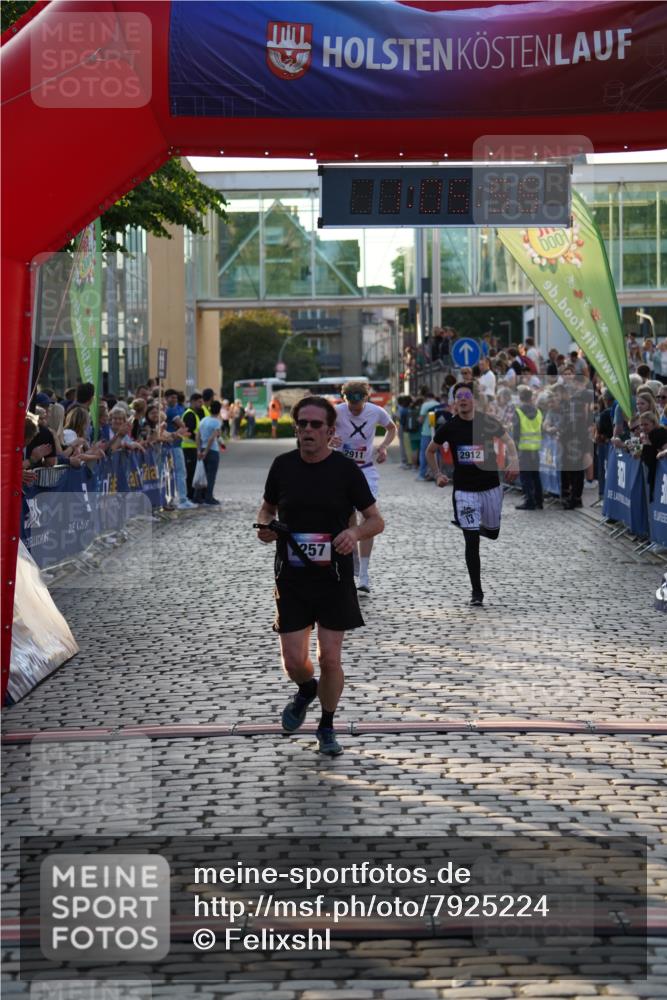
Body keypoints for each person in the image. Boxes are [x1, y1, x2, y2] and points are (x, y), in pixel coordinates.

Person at [255, 395, 384, 756]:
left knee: (330, 657)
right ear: (295, 428)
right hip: (292, 577)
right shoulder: (282, 466)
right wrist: (264, 527)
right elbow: (267, 509)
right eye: (302, 424)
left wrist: (354, 534)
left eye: (315, 425)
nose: (308, 430)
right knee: (294, 662)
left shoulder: (346, 471)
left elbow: (376, 520)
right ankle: (307, 689)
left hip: (334, 578)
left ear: (330, 431)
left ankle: (327, 725)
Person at [426, 382, 519, 606]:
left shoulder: (487, 421)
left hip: (490, 487)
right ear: (454, 402)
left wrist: (514, 460)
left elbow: (508, 440)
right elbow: (431, 450)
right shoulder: (449, 427)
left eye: (467, 395)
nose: (463, 399)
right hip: (465, 491)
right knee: (471, 540)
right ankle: (477, 592)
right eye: (459, 396)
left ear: (474, 400)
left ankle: (472, 523)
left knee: (493, 532)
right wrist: (438, 473)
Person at [332, 380, 396, 593]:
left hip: (366, 469)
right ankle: (353, 562)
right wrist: (330, 438)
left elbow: (391, 428)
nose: (354, 410)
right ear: (345, 399)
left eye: (358, 407)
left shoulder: (376, 411)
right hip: (341, 469)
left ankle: (365, 575)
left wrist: (384, 447)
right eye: (351, 405)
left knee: (368, 517)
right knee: (347, 518)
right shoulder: (336, 411)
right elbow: (323, 429)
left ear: (366, 399)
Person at [513, 386, 544, 511]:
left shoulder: (518, 412)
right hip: (536, 449)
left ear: (520, 398)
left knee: (526, 477)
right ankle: (539, 501)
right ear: (531, 397)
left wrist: (514, 449)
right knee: (536, 476)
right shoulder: (538, 412)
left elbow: (516, 432)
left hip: (524, 449)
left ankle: (529, 501)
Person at [197, 399, 224, 505]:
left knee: (200, 474)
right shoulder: (217, 422)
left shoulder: (203, 420)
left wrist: (199, 450)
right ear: (219, 410)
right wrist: (207, 451)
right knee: (210, 475)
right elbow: (212, 438)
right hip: (212, 450)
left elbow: (198, 436)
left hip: (202, 448)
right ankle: (209, 497)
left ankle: (198, 497)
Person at [181, 392, 206, 502]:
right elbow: (189, 432)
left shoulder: (195, 414)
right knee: (190, 473)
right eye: (199, 402)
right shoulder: (189, 414)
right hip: (188, 447)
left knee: (192, 472)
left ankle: (193, 496)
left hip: (193, 447)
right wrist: (199, 440)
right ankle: (189, 496)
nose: (201, 404)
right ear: (193, 402)